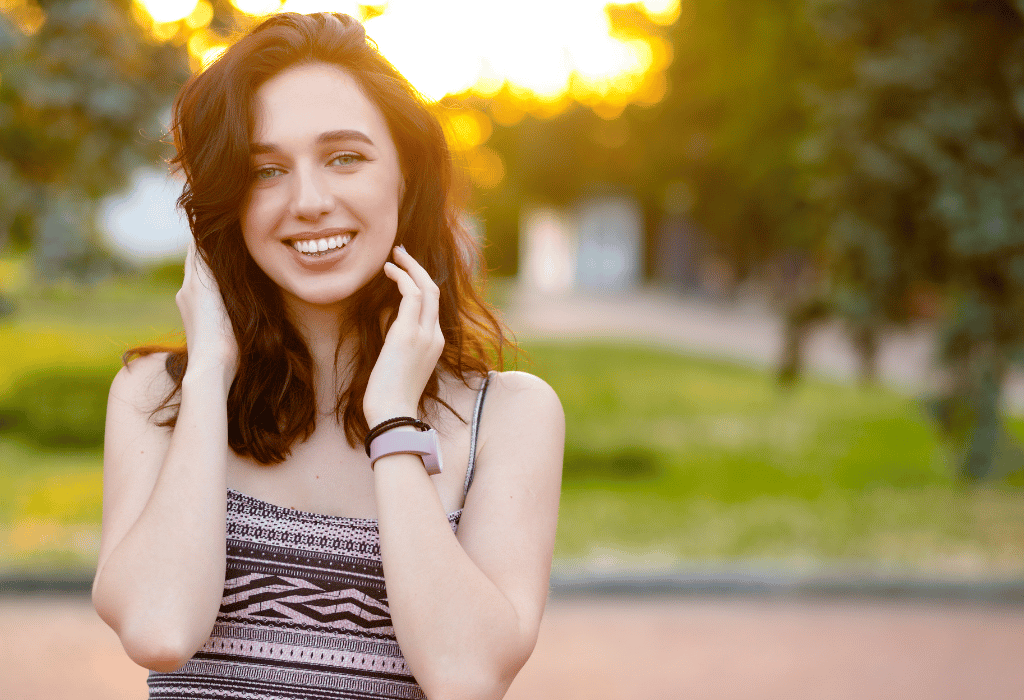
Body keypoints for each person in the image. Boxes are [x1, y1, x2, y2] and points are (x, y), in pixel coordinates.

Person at [91, 12, 564, 700]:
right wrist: (208, 376)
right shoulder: (154, 396)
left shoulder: (510, 415)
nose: (309, 202)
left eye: (345, 157)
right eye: (266, 170)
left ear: (406, 174)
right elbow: (161, 629)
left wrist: (394, 420)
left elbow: (466, 677)